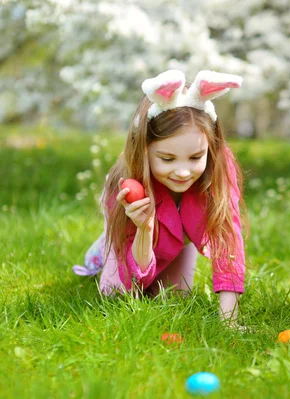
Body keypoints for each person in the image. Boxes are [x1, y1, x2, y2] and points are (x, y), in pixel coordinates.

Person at [73, 69, 246, 324]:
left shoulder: (219, 166)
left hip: (179, 236)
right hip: (136, 234)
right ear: (144, 150)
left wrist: (228, 319)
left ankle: (165, 243)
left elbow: (227, 241)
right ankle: (103, 250)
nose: (183, 172)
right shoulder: (124, 183)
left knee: (175, 297)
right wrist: (144, 229)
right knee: (118, 295)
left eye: (196, 157)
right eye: (167, 159)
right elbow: (136, 280)